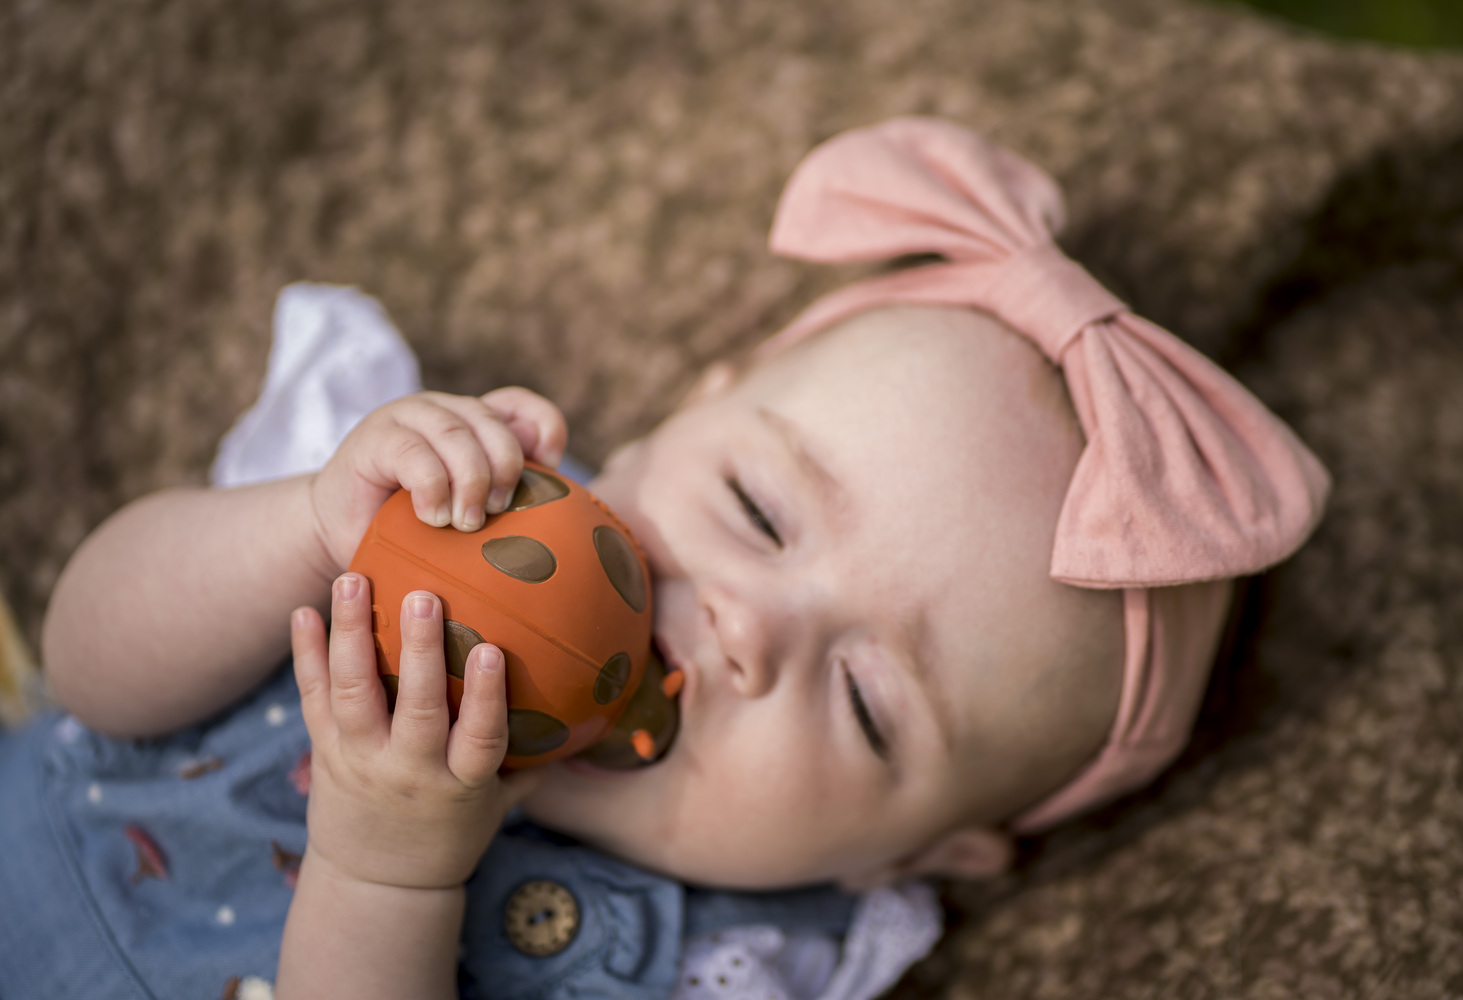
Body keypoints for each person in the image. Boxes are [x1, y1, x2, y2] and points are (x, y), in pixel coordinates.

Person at [0, 118, 1329, 1000]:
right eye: (756, 508)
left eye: (868, 706)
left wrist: (387, 868)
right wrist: (306, 526)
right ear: (676, 419)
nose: (750, 626)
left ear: (916, 859)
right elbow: (88, 667)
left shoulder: (734, 967)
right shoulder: (435, 504)